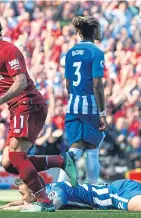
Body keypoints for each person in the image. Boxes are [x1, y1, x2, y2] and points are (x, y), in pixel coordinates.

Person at [0, 10, 77, 212]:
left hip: (28, 104)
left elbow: (21, 81)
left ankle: (43, 200)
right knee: (8, 163)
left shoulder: (7, 50)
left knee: (16, 155)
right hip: (17, 108)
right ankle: (61, 160)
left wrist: (1, 99)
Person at [62, 16, 108, 183]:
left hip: (73, 104)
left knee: (75, 146)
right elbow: (97, 84)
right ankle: (93, 189)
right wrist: (102, 112)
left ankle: (59, 187)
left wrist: (75, 100)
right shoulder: (96, 52)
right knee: (92, 148)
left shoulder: (70, 52)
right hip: (90, 105)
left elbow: (67, 84)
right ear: (95, 32)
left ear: (78, 32)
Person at [0, 177, 141, 212]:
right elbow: (31, 201)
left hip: (114, 195)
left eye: (22, 194)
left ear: (33, 191)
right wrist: (10, 205)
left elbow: (51, 205)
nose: (22, 198)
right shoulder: (48, 190)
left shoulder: (55, 191)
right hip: (117, 190)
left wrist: (15, 209)